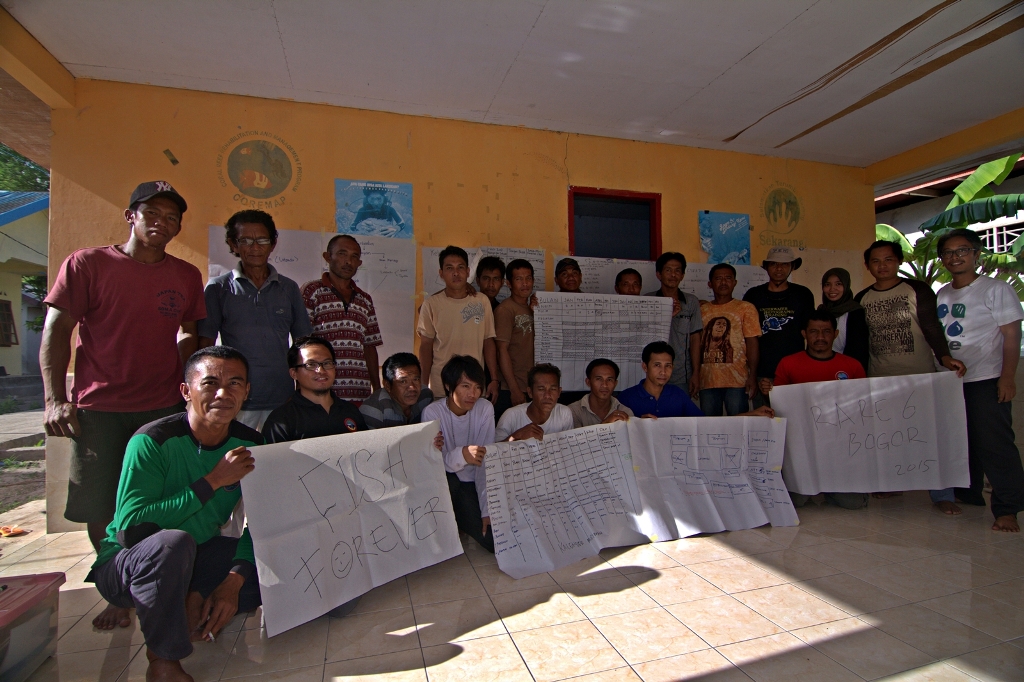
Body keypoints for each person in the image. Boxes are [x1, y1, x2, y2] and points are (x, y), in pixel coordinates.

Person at [41, 181, 205, 631]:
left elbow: (189, 332)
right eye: (152, 213)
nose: (162, 223)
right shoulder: (88, 264)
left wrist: (188, 386)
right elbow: (57, 330)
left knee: (163, 499)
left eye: (172, 218)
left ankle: (155, 578)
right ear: (130, 215)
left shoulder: (185, 275)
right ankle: (119, 586)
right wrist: (55, 399)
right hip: (100, 407)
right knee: (102, 506)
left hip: (163, 406)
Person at [88, 346, 262, 682]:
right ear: (186, 391)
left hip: (198, 553)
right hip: (129, 562)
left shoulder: (250, 444)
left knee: (271, 565)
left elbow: (262, 521)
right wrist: (212, 482)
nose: (223, 394)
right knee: (172, 543)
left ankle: (191, 600)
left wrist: (233, 581)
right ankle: (162, 660)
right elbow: (131, 530)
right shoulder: (152, 440)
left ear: (246, 392)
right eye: (210, 383)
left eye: (235, 384)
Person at [855, 239, 965, 512]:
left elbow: (931, 327)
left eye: (888, 260)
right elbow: (859, 341)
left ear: (899, 261)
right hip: (880, 379)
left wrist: (945, 357)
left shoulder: (917, 289)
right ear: (867, 266)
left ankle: (942, 494)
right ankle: (892, 483)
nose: (882, 266)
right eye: (876, 261)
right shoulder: (862, 298)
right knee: (887, 437)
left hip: (920, 376)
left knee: (931, 435)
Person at [936, 229, 1024, 532]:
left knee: (995, 444)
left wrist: (1007, 377)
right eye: (948, 252)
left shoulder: (996, 289)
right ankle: (969, 493)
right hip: (950, 381)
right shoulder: (942, 293)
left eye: (962, 250)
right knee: (962, 440)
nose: (955, 257)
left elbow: (1011, 335)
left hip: (986, 378)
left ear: (976, 254)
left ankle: (1007, 508)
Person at [199, 210, 312, 429]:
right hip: (235, 400)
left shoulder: (289, 288)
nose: (255, 247)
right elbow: (205, 346)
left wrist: (302, 390)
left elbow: (304, 345)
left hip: (282, 397)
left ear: (273, 244)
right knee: (239, 450)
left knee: (280, 451)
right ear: (233, 244)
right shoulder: (218, 289)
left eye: (262, 240)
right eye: (246, 241)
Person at [769, 310, 869, 510]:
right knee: (795, 502)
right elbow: (779, 405)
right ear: (804, 334)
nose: (820, 337)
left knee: (855, 503)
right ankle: (811, 486)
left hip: (839, 447)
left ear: (836, 334)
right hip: (803, 447)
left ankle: (830, 487)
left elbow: (863, 407)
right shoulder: (788, 363)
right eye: (814, 332)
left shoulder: (852, 366)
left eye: (826, 331)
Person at [422, 356, 495, 552]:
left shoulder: (485, 409)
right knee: (451, 481)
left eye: (477, 387)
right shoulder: (432, 413)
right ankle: (451, 520)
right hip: (449, 483)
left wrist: (486, 509)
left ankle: (462, 518)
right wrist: (462, 455)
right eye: (465, 386)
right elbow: (435, 465)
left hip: (476, 482)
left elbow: (485, 464)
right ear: (448, 385)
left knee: (494, 538)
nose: (473, 394)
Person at [301, 234, 383, 403]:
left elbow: (369, 347)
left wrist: (376, 389)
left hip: (359, 391)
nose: (348, 262)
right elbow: (301, 344)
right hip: (321, 391)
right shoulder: (311, 291)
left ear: (359, 263)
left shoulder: (365, 300)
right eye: (342, 254)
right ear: (327, 257)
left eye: (354, 257)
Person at [418, 246, 499, 400]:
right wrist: (423, 385)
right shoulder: (430, 304)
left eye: (460, 267)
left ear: (468, 271)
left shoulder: (482, 301)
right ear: (441, 273)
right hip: (442, 387)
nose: (456, 273)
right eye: (449, 268)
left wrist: (494, 379)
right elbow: (425, 346)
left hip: (474, 385)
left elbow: (488, 341)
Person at [620, 342, 773, 419]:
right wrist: (637, 424)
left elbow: (706, 424)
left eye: (668, 366)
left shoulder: (677, 394)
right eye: (657, 365)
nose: (663, 372)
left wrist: (753, 413)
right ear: (645, 367)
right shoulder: (626, 398)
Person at [743, 245, 816, 404]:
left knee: (795, 416)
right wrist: (752, 375)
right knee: (764, 417)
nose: (779, 269)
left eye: (784, 264)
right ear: (766, 267)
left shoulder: (803, 295)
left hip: (795, 372)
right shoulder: (753, 295)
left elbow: (811, 333)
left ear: (792, 267)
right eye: (774, 264)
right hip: (762, 372)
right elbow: (748, 338)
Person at [262, 336, 367, 443]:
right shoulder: (281, 420)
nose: (321, 371)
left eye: (327, 363)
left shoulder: (351, 411)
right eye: (311, 365)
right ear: (294, 373)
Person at [698, 264, 762, 416]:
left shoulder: (746, 308)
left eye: (728, 278)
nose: (723, 282)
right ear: (710, 284)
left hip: (737, 381)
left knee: (738, 424)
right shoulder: (701, 310)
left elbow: (752, 343)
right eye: (718, 278)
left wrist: (753, 375)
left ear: (735, 282)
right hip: (707, 380)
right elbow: (695, 343)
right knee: (709, 426)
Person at [645, 252, 703, 397]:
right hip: (652, 374)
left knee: (679, 410)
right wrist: (667, 316)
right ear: (659, 274)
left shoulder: (691, 302)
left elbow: (695, 340)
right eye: (668, 270)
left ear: (682, 275)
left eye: (677, 270)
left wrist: (696, 373)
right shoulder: (648, 300)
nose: (673, 275)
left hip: (682, 375)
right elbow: (643, 334)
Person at [494, 259, 535, 419]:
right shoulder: (505, 309)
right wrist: (514, 389)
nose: (525, 283)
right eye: (519, 279)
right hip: (512, 389)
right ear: (509, 283)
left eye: (528, 278)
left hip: (532, 386)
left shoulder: (534, 308)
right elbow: (501, 350)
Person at [495, 364, 575, 441]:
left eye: (553, 389)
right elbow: (495, 448)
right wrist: (517, 436)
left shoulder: (564, 414)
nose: (547, 395)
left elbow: (569, 446)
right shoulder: (511, 416)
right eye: (541, 389)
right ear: (530, 392)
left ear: (559, 392)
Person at [360, 352, 436, 429]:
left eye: (416, 379)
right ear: (387, 385)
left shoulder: (425, 397)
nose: (412, 387)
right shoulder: (374, 409)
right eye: (403, 381)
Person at [819, 267, 869, 372]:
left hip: (846, 371)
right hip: (822, 368)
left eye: (838, 284)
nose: (832, 289)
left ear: (846, 286)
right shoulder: (821, 312)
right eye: (827, 284)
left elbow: (858, 350)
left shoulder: (855, 312)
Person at [568, 358, 634, 427]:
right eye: (599, 379)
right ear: (588, 382)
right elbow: (576, 434)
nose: (604, 385)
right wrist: (606, 423)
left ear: (615, 383)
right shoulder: (573, 411)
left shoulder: (624, 412)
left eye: (609, 380)